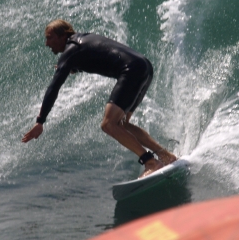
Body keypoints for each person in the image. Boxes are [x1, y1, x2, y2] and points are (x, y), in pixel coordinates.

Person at [21, 19, 178, 176]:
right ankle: (165, 155)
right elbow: (99, 55)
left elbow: (53, 88)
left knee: (108, 124)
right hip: (144, 66)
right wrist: (74, 67)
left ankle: (150, 162)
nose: (47, 43)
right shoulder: (81, 40)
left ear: (63, 36)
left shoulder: (71, 50)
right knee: (122, 124)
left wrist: (40, 121)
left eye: (50, 37)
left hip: (130, 71)